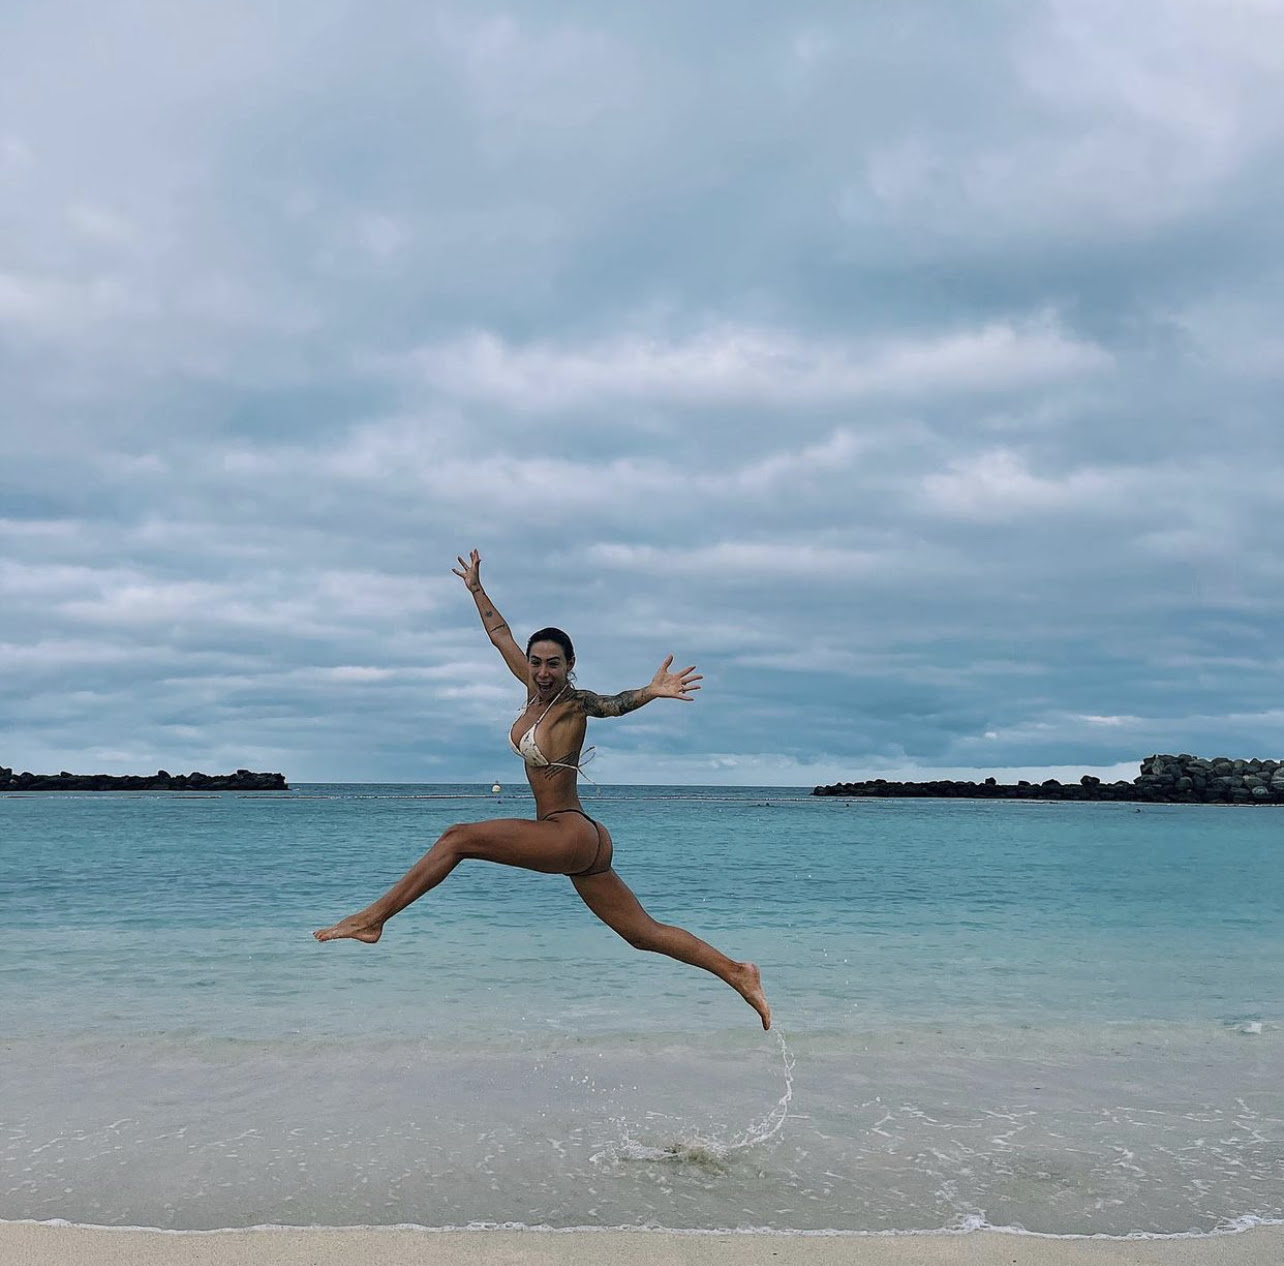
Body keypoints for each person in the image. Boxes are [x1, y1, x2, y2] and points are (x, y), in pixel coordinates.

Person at [314, 549, 771, 1030]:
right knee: (642, 934)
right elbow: (499, 634)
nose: (543, 671)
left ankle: (372, 920)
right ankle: (737, 972)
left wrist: (650, 691)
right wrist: (476, 589)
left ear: (571, 664)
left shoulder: (574, 703)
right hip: (581, 841)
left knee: (458, 838)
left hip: (568, 832)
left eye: (554, 663)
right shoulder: (534, 691)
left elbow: (613, 703)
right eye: (536, 663)